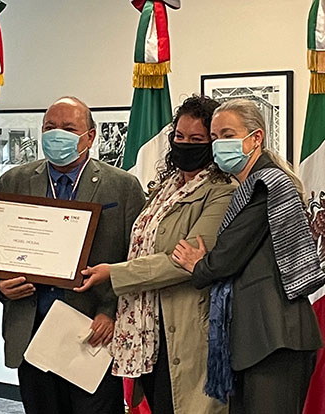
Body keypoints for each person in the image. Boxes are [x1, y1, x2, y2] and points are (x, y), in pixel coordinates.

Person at [75, 96, 236, 414]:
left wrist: (114, 272)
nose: (185, 145)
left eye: (196, 139)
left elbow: (184, 262)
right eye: (179, 136)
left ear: (213, 143)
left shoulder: (221, 190)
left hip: (185, 326)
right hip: (146, 326)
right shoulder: (166, 186)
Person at [0, 96, 145, 414]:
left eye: (68, 128)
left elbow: (137, 259)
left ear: (90, 136)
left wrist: (111, 311)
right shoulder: (13, 181)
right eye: (50, 127)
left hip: (92, 331)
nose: (56, 134)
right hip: (31, 330)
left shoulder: (123, 187)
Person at [171, 99, 325, 414]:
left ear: (256, 138)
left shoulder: (264, 184)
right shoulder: (254, 182)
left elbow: (229, 256)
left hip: (274, 336)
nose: (219, 145)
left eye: (228, 135)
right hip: (260, 337)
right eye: (214, 138)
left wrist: (199, 265)